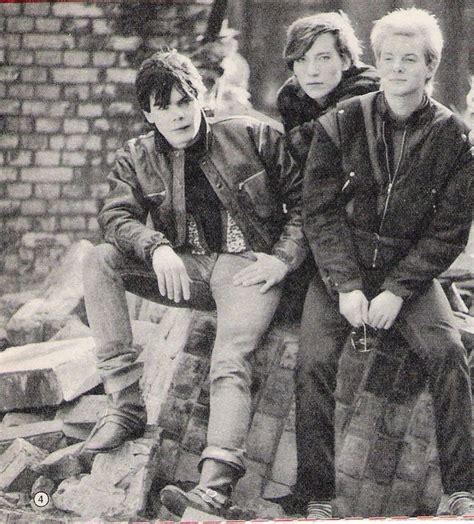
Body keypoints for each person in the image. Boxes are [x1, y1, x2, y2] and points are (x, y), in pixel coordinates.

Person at [81, 48, 306, 518]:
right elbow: (115, 216)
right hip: (187, 267)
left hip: (248, 267)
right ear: (148, 113)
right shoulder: (137, 156)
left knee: (230, 361)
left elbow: (306, 204)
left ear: (200, 97)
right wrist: (156, 246)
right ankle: (124, 406)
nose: (177, 114)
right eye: (163, 106)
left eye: (184, 100)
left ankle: (214, 487)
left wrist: (283, 260)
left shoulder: (252, 133)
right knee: (99, 260)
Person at [297, 7, 474, 518]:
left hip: (409, 274)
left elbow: (448, 232)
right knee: (311, 363)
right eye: (388, 58)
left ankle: (461, 491)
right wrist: (347, 285)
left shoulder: (454, 137)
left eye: (409, 59)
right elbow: (320, 212)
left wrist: (398, 290)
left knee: (447, 354)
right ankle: (318, 497)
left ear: (429, 69)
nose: (396, 68)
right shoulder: (341, 122)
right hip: (342, 267)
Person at [277, 11, 379, 164]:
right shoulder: (291, 93)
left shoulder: (366, 87)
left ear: (345, 61)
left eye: (323, 58)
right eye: (301, 59)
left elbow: (317, 145)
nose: (312, 71)